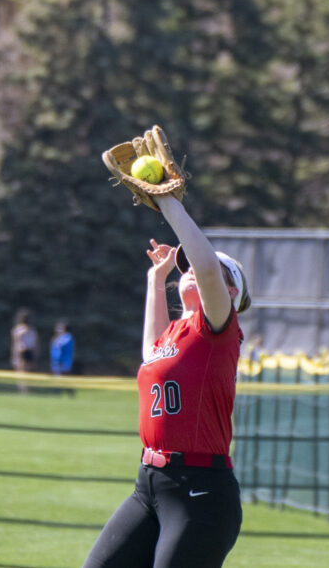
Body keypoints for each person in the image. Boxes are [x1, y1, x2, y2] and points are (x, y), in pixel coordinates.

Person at [82, 192, 252, 568]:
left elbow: (207, 268)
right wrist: (155, 279)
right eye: (184, 266)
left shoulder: (217, 331)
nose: (190, 268)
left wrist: (169, 204)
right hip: (149, 485)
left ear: (231, 293)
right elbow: (150, 354)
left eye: (208, 270)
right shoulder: (176, 335)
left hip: (201, 491)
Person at [10, 307, 38, 393]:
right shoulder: (18, 329)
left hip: (26, 351)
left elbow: (34, 343)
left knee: (26, 371)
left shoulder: (30, 330)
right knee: (21, 371)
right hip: (21, 352)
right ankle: (23, 389)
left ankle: (25, 389)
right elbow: (15, 343)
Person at [50, 319, 76, 396]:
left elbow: (61, 350)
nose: (58, 330)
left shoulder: (67, 338)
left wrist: (60, 361)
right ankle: (58, 395)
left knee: (64, 380)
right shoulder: (57, 338)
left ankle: (69, 394)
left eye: (60, 328)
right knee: (59, 380)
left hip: (63, 363)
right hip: (56, 363)